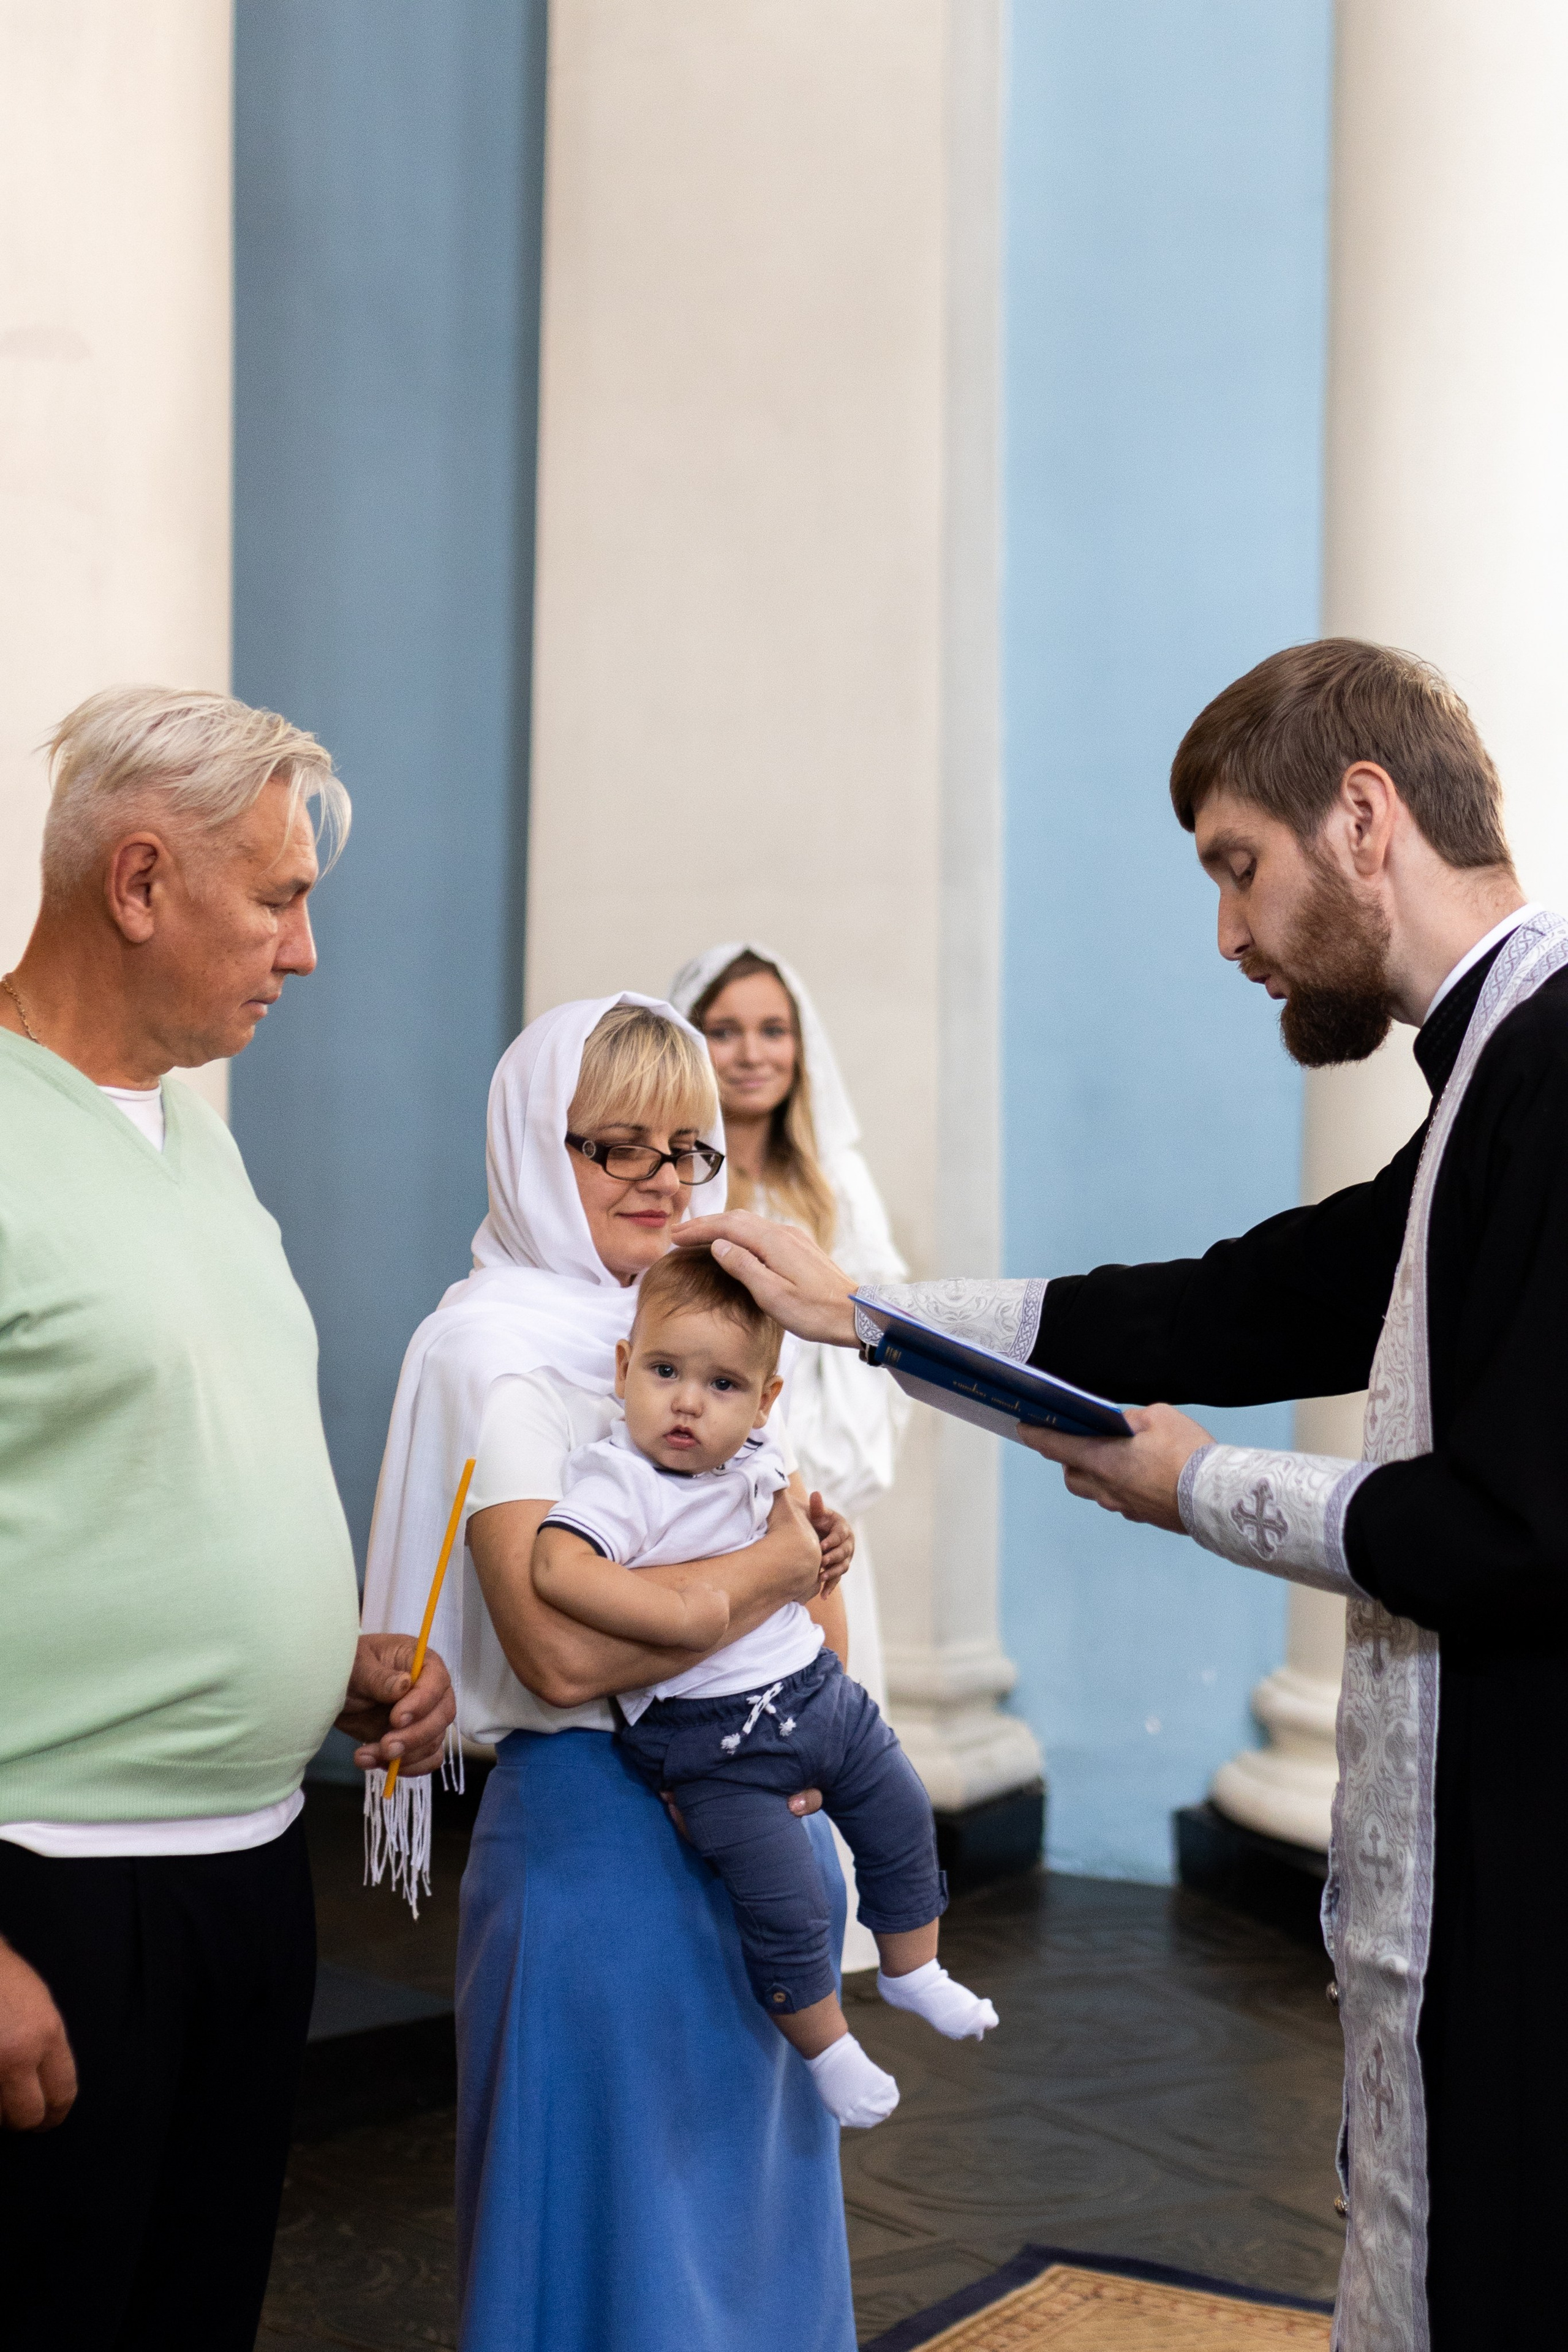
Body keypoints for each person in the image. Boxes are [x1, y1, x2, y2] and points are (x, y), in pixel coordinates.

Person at [679, 639, 1568, 2352]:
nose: (1227, 933)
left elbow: (1521, 1528)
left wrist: (1197, 1488)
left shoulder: (1551, 1059)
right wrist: (872, 1317)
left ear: (1362, 818)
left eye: (1238, 866)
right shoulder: (1496, 1065)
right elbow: (1243, 1304)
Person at [0, 686, 455, 2352]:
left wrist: (318, 1658)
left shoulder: (193, 1140)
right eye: (278, 900)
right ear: (139, 883)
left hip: (250, 1874)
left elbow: (146, 1465)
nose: (305, 954)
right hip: (53, 1894)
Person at [360, 994, 860, 2352]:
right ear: (538, 1145)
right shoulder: (492, 1350)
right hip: (599, 1850)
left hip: (756, 1834)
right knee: (612, 2251)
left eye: (687, 1148)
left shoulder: (701, 1325)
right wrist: (762, 1576)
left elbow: (822, 1631)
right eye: (616, 1146)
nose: (661, 1181)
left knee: (750, 2236)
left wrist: (779, 1589)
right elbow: (562, 1652)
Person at [535, 1246, 997, 2132]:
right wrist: (679, 1614)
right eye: (664, 1372)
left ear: (764, 1400)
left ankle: (914, 1969)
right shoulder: (619, 1481)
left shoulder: (760, 1460)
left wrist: (830, 1546)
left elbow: (803, 1558)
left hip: (816, 1693)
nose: (688, 1403)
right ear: (624, 1369)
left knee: (904, 1812)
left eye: (722, 1385)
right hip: (712, 1741)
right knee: (787, 1901)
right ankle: (828, 2050)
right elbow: (558, 1565)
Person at [671, 943, 908, 1966]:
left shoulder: (833, 1181)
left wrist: (814, 1474)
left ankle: (812, 1961)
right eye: (725, 1030)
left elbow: (884, 1332)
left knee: (821, 1728)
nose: (752, 1052)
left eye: (773, 1030)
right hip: (700, 1504)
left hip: (815, 1506)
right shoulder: (676, 1177)